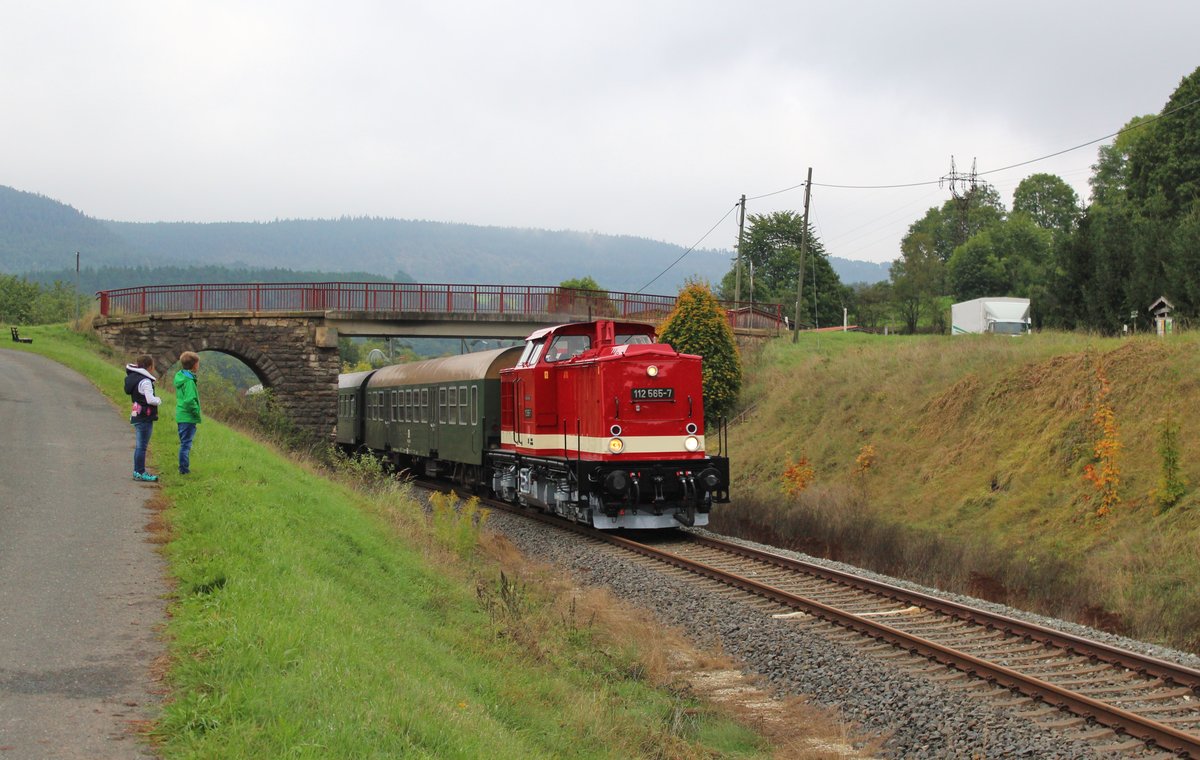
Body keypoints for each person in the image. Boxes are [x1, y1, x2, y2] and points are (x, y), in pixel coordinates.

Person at [124, 355, 162, 482]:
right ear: (150, 367)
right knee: (142, 446)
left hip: (136, 414)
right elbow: (150, 400)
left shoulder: (134, 379)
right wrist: (158, 400)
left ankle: (137, 471)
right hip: (145, 415)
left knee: (140, 445)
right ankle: (140, 472)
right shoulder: (145, 381)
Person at [174, 351, 202, 475]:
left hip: (181, 415)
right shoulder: (189, 381)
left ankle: (183, 468)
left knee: (184, 443)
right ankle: (184, 470)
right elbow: (190, 400)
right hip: (188, 417)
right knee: (186, 445)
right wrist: (196, 412)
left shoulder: (181, 376)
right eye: (198, 363)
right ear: (194, 365)